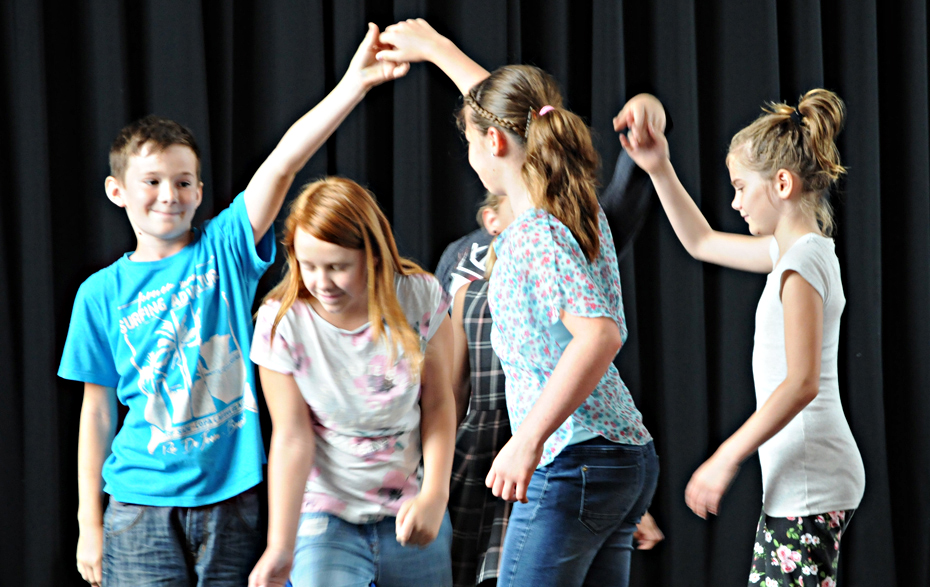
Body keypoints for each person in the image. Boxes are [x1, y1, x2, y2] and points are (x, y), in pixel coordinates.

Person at [58, 23, 408, 587]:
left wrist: (354, 86)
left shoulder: (224, 250)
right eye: (151, 181)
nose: (168, 195)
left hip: (234, 499)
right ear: (117, 190)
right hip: (138, 505)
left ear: (200, 190)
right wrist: (88, 523)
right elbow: (95, 413)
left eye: (183, 181)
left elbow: (284, 163)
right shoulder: (98, 293)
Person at [378, 19, 661, 587]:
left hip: (574, 460)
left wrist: (525, 442)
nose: (468, 153)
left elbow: (601, 335)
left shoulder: (536, 233)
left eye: (468, 140)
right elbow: (511, 112)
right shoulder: (575, 205)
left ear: (495, 143)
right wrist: (439, 51)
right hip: (623, 457)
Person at [619, 88, 865, 585]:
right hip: (804, 478)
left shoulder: (801, 262)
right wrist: (658, 166)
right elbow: (701, 241)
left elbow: (801, 384)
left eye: (739, 188)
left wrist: (724, 458)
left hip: (811, 481)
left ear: (781, 183)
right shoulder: (792, 254)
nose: (734, 202)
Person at [247, 174, 456, 587]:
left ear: (372, 256)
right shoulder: (281, 322)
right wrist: (280, 547)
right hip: (325, 512)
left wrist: (435, 494)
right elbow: (292, 437)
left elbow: (438, 404)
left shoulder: (420, 297)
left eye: (338, 267)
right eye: (308, 266)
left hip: (410, 506)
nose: (321, 282)